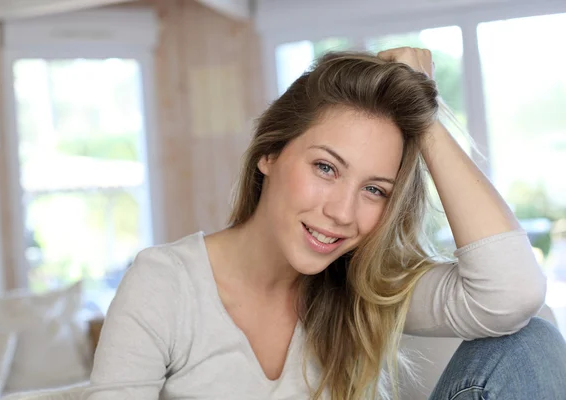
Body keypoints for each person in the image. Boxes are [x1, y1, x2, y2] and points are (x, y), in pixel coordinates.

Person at [83, 48, 566, 400]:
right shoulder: (165, 283)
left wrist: (427, 116)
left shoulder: (363, 283)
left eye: (374, 190)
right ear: (269, 154)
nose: (342, 213)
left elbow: (513, 293)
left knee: (531, 342)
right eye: (326, 168)